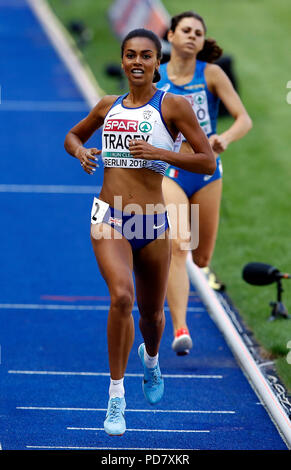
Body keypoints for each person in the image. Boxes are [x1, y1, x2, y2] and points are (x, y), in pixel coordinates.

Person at [64, 28, 215, 436]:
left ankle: (150, 361)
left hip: (151, 221)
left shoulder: (174, 106)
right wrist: (82, 151)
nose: (136, 62)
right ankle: (116, 395)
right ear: (123, 57)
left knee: (151, 316)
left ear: (156, 62)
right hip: (109, 216)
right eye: (129, 55)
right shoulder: (107, 106)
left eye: (145, 56)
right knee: (121, 296)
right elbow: (73, 135)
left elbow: (205, 160)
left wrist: (162, 154)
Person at [157, 11, 252, 356]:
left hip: (208, 172)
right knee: (178, 247)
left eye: (198, 32)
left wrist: (224, 137)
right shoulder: (157, 78)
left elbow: (244, 119)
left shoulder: (211, 73)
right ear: (170, 35)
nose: (193, 36)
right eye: (186, 30)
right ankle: (180, 329)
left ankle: (187, 287)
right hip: (172, 172)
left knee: (201, 257)